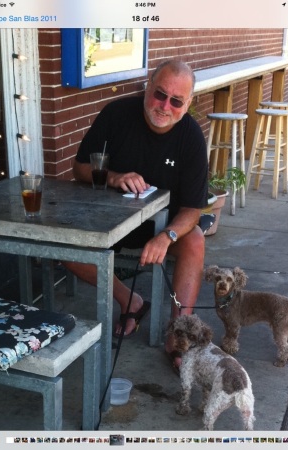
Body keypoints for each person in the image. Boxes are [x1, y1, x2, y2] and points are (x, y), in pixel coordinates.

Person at [63, 59, 208, 370]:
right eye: (159, 94)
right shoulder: (116, 114)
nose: (165, 105)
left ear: (187, 104)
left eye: (176, 100)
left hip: (163, 226)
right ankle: (131, 300)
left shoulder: (191, 137)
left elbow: (193, 209)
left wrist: (167, 236)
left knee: (194, 241)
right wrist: (113, 176)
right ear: (147, 86)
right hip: (110, 218)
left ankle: (178, 336)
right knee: (63, 243)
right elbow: (79, 169)